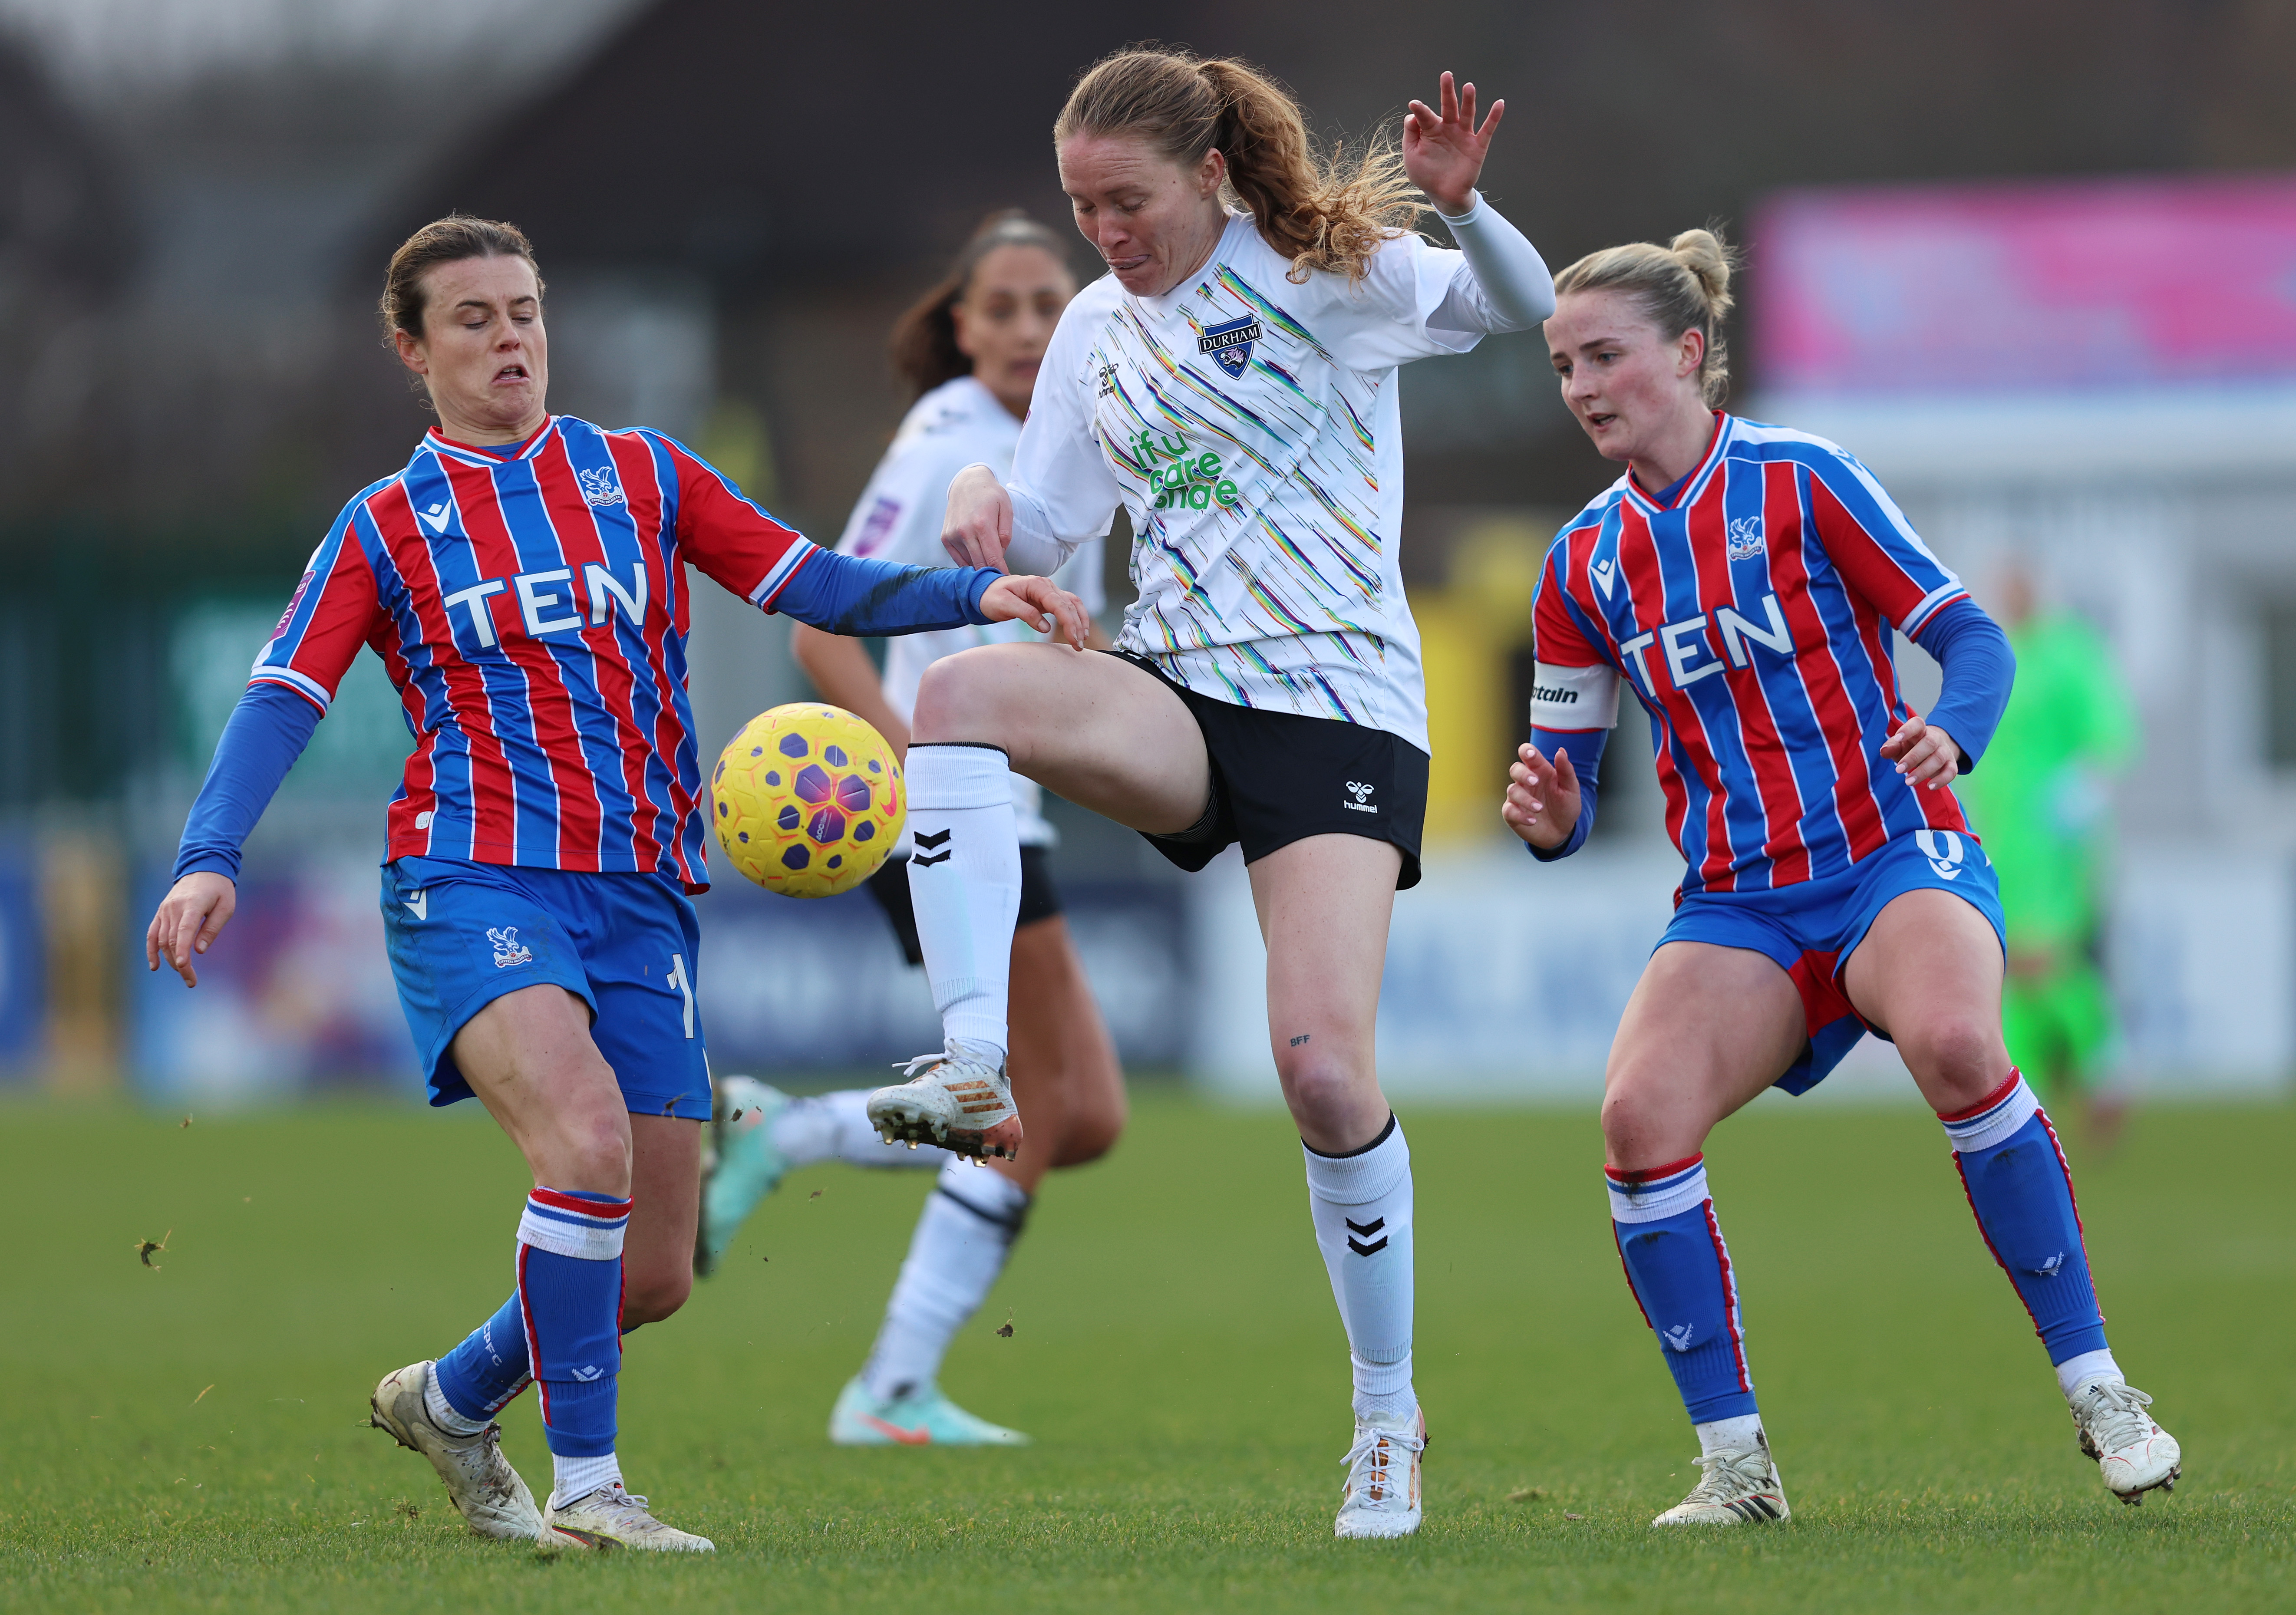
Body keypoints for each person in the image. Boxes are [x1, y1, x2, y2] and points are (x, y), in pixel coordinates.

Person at [142, 215, 1088, 1553]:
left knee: (650, 1273)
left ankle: (452, 1400)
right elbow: (284, 693)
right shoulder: (387, 527)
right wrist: (208, 857)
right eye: (473, 319)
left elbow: (812, 582)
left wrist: (976, 595)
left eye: (524, 311)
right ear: (413, 349)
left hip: (640, 895)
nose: (510, 339)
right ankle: (592, 1492)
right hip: (472, 878)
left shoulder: (640, 472)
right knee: (584, 1145)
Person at [856, 50, 1556, 1539]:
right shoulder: (1093, 332)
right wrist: (985, 511)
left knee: (1322, 1074)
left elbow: (1521, 305)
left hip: (1335, 707)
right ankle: (973, 1062)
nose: (1103, 233)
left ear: (1211, 175)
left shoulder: (1324, 275)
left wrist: (1465, 208)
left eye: (1126, 200)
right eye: (1080, 206)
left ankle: (1385, 1418)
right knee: (957, 696)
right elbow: (1049, 523)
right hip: (1173, 689)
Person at [1504, 227, 2182, 1526]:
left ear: (1688, 353)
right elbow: (1565, 787)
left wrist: (1956, 731)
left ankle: (2103, 1393)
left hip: (1889, 851)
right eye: (1563, 367)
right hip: (1737, 900)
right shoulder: (1580, 564)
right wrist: (1549, 816)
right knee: (1637, 1123)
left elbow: (1971, 638)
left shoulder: (1804, 479)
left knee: (1956, 1043)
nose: (1581, 387)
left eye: (1604, 356)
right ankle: (1737, 1469)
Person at [696, 211, 1127, 1446]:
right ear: (961, 327)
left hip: (1008, 805)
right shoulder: (950, 437)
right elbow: (819, 629)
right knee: (1027, 1102)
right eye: (1002, 307)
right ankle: (890, 1388)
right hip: (946, 810)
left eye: (1048, 303)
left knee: (1084, 1115)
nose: (1029, 328)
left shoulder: (1071, 433)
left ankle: (793, 1130)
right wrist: (914, 765)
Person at [1955, 563, 2137, 1149]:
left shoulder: (2070, 651)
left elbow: (2109, 729)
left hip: (2054, 843)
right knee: (2011, 973)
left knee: (2048, 960)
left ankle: (2099, 1072)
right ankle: (2028, 1102)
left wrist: (2086, 789)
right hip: (2001, 840)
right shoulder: (1998, 652)